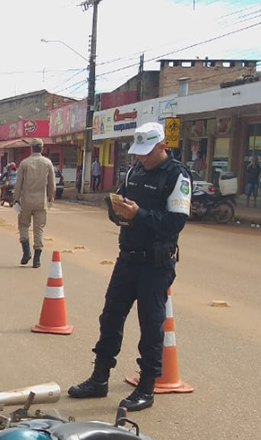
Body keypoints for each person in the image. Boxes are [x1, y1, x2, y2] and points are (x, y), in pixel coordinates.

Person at [67, 122, 190, 412]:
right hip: (128, 257)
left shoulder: (177, 176)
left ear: (162, 147)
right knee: (110, 316)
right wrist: (117, 211)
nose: (141, 158)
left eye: (147, 153)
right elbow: (121, 205)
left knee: (150, 325)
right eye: (138, 153)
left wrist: (140, 215)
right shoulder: (134, 171)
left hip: (156, 263)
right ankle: (99, 378)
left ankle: (147, 386)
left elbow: (176, 222)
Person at [15, 139, 56, 269]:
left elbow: (18, 184)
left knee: (23, 225)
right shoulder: (47, 163)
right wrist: (50, 198)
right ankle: (37, 260)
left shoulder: (24, 163)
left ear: (31, 148)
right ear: (42, 148)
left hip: (26, 201)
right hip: (41, 202)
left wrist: (16, 199)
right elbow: (52, 184)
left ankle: (26, 251)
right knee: (39, 229)